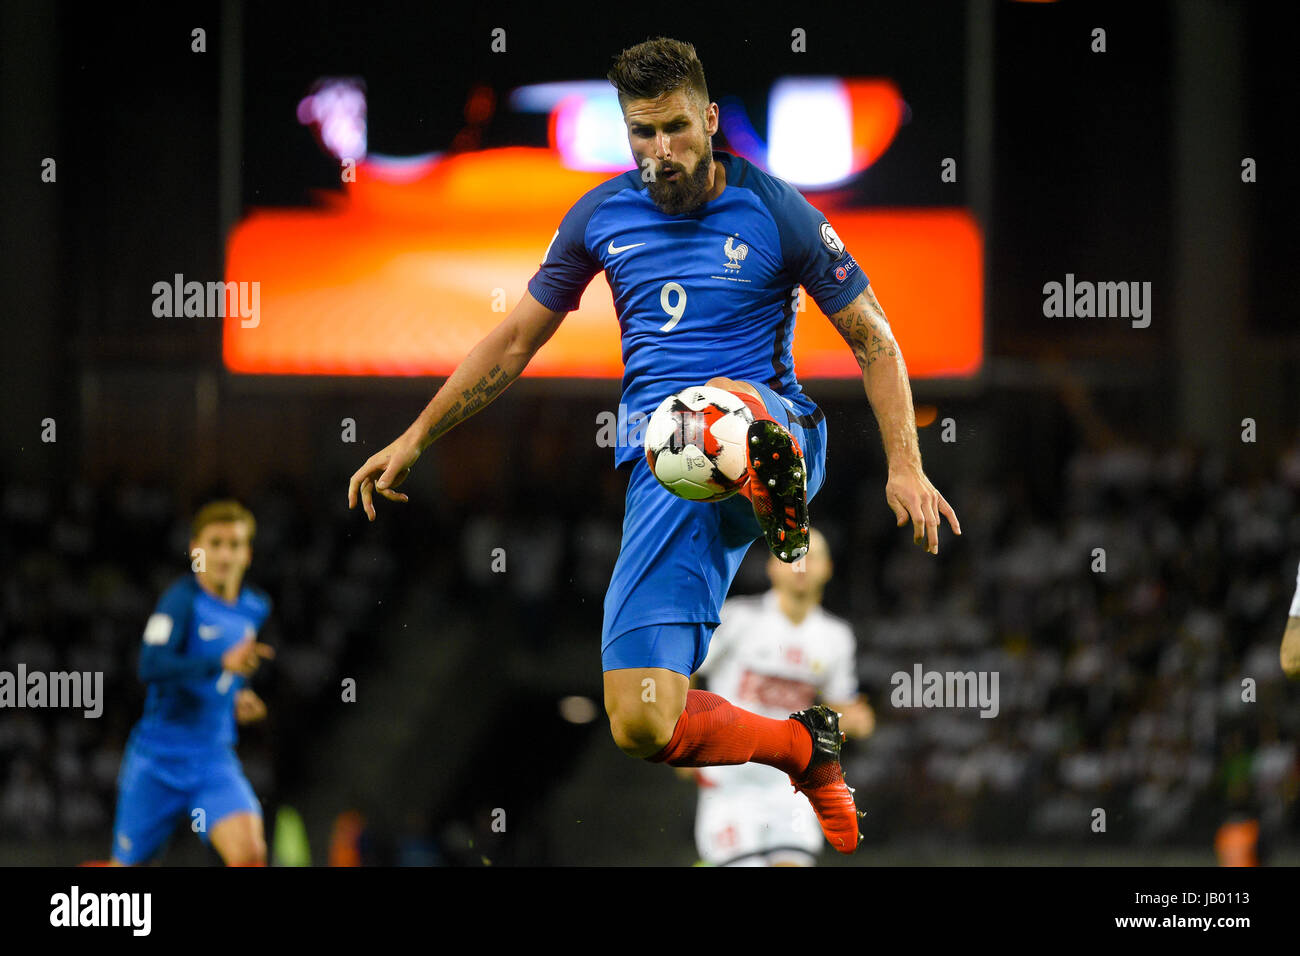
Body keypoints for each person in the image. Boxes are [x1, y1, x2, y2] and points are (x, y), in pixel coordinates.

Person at [348, 37, 958, 853]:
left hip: (773, 425)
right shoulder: (601, 217)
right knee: (640, 722)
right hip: (663, 484)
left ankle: (776, 501)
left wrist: (904, 465)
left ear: (709, 119)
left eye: (674, 128)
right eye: (642, 133)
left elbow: (873, 337)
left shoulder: (775, 207)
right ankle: (803, 750)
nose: (659, 151)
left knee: (697, 418)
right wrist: (417, 435)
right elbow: (513, 343)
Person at [689, 528, 874, 865]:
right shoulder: (737, 618)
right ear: (772, 566)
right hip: (730, 782)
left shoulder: (837, 637)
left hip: (789, 786)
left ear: (828, 568)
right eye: (792, 556)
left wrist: (855, 720)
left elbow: (837, 708)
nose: (801, 566)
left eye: (811, 557)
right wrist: (681, 732)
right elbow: (686, 666)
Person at [109, 500, 275, 865]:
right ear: (195, 549)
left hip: (213, 760)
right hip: (157, 760)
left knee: (250, 855)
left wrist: (239, 695)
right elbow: (150, 664)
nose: (224, 554)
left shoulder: (255, 607)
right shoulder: (179, 602)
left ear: (247, 553)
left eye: (234, 544)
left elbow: (230, 671)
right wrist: (220, 663)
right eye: (215, 543)